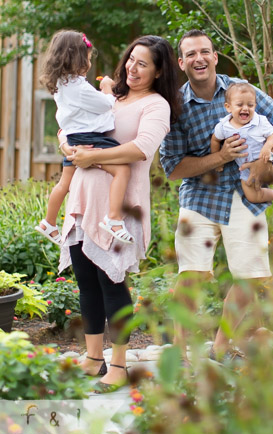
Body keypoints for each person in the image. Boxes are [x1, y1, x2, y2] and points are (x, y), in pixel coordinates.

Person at [159, 29, 273, 359]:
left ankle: (219, 349)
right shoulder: (175, 105)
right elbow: (174, 168)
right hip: (200, 194)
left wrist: (263, 162)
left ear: (215, 56)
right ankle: (179, 352)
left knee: (251, 277)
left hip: (245, 193)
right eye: (191, 54)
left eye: (204, 51)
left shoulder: (240, 91)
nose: (199, 58)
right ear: (181, 63)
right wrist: (220, 157)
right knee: (192, 274)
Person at [58, 35, 181, 391]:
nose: (133, 67)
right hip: (83, 201)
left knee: (111, 283)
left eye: (143, 64)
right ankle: (93, 357)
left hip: (119, 206)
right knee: (85, 281)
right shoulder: (111, 97)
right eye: (131, 59)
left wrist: (92, 156)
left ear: (159, 72)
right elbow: (68, 124)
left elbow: (141, 149)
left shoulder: (156, 106)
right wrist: (68, 145)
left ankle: (119, 364)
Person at [36, 30, 133, 246]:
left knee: (64, 183)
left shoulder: (61, 84)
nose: (89, 63)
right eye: (88, 58)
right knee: (123, 169)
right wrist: (107, 88)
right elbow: (106, 104)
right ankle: (114, 219)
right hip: (91, 139)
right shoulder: (78, 88)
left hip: (73, 138)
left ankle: (48, 222)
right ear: (78, 59)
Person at [210, 82, 273, 222]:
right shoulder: (224, 126)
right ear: (228, 107)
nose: (245, 108)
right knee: (253, 196)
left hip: (266, 162)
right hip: (245, 169)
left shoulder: (259, 121)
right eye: (240, 105)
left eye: (250, 105)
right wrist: (217, 159)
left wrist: (267, 147)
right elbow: (215, 140)